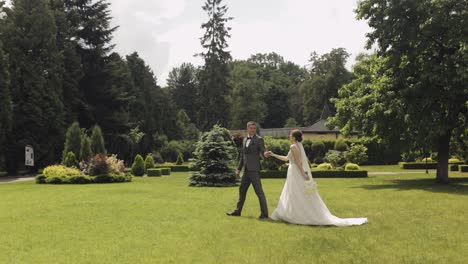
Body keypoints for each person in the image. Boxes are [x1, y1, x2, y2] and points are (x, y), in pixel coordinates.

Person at [267, 129, 368, 226]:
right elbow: (286, 159)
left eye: (290, 135)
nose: (289, 136)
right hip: (292, 172)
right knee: (294, 193)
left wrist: (303, 174)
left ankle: (296, 215)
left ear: (294, 137)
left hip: (295, 173)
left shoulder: (293, 146)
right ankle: (293, 213)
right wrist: (273, 154)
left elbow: (298, 162)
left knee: (296, 193)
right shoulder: (297, 146)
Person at [226, 121, 270, 220]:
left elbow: (263, 151)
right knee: (242, 190)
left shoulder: (259, 139)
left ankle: (264, 214)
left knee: (259, 192)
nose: (253, 130)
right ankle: (237, 211)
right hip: (246, 171)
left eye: (254, 128)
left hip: (254, 170)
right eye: (251, 128)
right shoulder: (245, 139)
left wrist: (266, 154)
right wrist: (238, 169)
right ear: (247, 129)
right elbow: (243, 156)